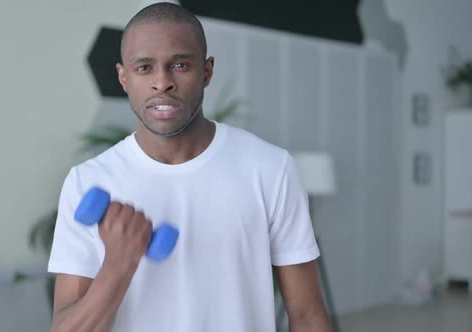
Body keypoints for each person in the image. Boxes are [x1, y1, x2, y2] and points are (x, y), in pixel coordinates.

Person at [48, 2, 332, 331]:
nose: (162, 82)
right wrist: (118, 264)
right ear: (123, 78)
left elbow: (308, 316)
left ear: (207, 72)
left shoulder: (271, 169)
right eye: (144, 68)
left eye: (180, 65)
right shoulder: (87, 181)